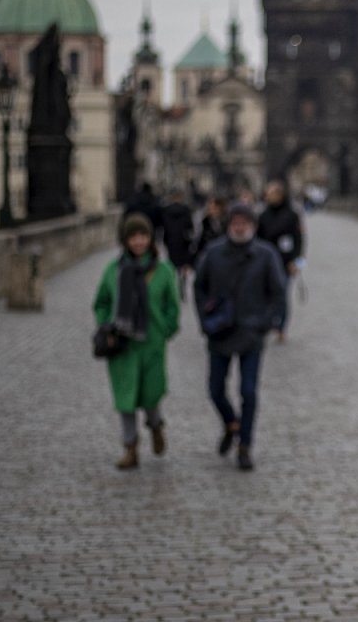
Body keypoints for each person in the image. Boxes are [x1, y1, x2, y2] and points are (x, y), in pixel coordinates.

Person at [193, 202, 286, 471]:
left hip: (251, 332)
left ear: (253, 226)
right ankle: (231, 422)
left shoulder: (266, 255)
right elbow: (199, 287)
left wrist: (267, 323)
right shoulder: (213, 254)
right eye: (235, 222)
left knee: (248, 391)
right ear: (229, 225)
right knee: (215, 390)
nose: (240, 226)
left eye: (245, 222)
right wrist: (205, 319)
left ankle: (245, 445)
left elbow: (278, 293)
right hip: (220, 331)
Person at [92, 213, 180, 470]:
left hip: (152, 343)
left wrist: (165, 329)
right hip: (122, 345)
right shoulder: (114, 270)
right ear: (125, 240)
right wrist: (105, 324)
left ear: (150, 239)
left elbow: (172, 307)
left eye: (143, 236)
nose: (139, 242)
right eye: (133, 237)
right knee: (126, 398)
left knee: (151, 395)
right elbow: (101, 302)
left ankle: (156, 426)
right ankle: (130, 447)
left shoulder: (163, 271)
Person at [256, 180, 302, 342]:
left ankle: (281, 327)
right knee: (266, 295)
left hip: (286, 262)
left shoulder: (292, 214)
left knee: (282, 295)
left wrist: (297, 262)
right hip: (266, 262)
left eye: (273, 194)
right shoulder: (262, 215)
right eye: (268, 194)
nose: (270, 197)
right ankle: (269, 323)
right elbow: (257, 240)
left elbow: (299, 240)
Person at [160, 189, 195, 300]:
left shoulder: (166, 210)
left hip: (171, 241)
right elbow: (190, 227)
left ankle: (172, 289)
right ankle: (182, 287)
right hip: (183, 241)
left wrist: (165, 240)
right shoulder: (186, 210)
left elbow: (164, 226)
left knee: (172, 266)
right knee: (183, 266)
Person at [192, 196, 227, 266]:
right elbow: (200, 240)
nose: (209, 210)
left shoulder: (226, 222)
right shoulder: (205, 222)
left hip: (224, 255)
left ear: (219, 208)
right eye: (209, 208)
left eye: (213, 208)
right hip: (209, 255)